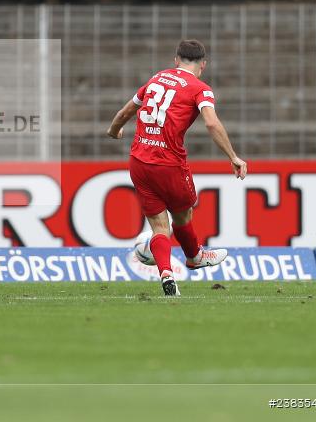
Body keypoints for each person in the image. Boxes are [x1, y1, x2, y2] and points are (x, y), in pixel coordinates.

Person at [106, 40, 247, 296]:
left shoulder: (156, 79)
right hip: (169, 162)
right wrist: (233, 157)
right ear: (203, 65)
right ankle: (194, 257)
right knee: (183, 216)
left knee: (159, 227)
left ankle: (166, 274)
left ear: (176, 60)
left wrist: (114, 131)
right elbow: (212, 124)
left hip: (139, 161)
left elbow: (126, 111)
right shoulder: (200, 89)